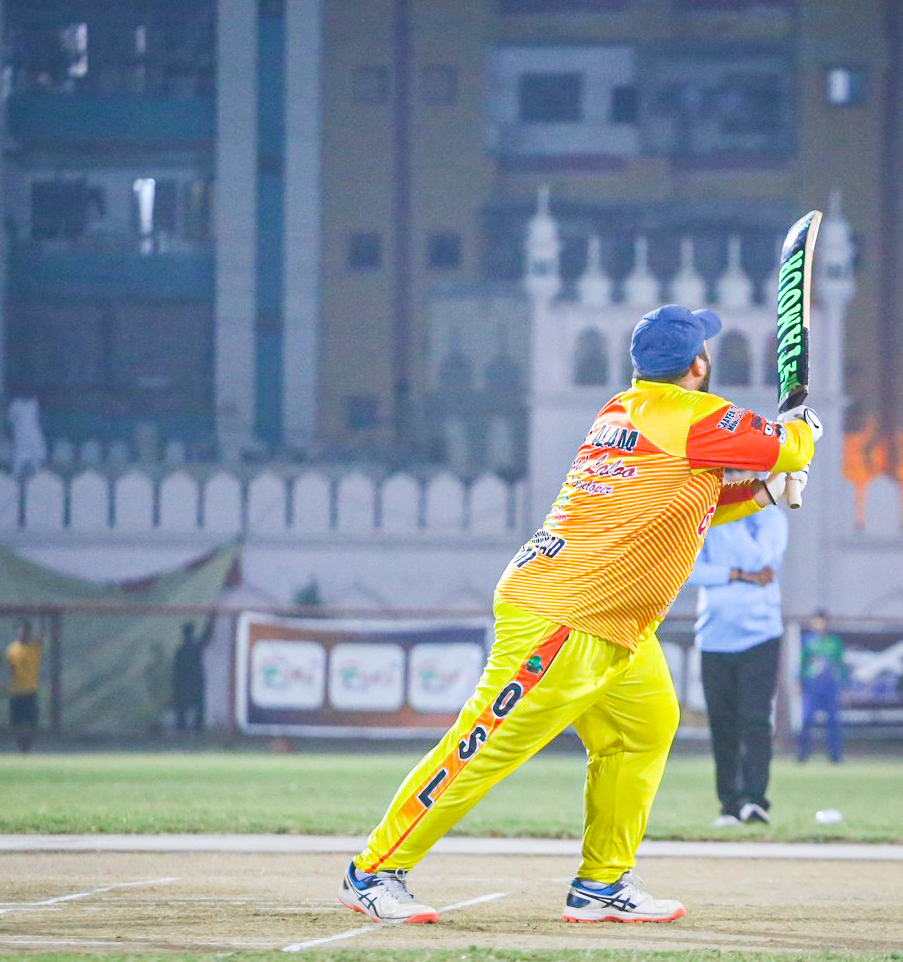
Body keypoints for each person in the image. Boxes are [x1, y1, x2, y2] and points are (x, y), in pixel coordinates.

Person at [339, 304, 821, 924]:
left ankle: (602, 884)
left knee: (645, 727)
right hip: (563, 613)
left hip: (612, 619)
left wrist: (758, 492)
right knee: (484, 745)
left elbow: (684, 500)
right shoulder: (696, 416)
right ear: (698, 364)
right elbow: (788, 447)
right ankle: (373, 871)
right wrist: (800, 428)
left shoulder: (623, 411)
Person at [687, 491, 788, 826]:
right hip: (713, 637)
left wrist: (734, 516)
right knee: (722, 725)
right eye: (727, 472)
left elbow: (761, 562)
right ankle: (729, 804)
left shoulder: (770, 518)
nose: (731, 480)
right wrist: (736, 575)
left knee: (755, 720)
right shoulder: (705, 518)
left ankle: (755, 800)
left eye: (738, 473)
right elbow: (689, 570)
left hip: (761, 636)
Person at [797, 610, 846, 763]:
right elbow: (802, 663)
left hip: (830, 685)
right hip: (812, 686)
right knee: (806, 720)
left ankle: (835, 756)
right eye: (816, 621)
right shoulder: (807, 641)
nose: (818, 624)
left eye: (821, 621)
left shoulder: (834, 642)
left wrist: (844, 684)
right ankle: (802, 754)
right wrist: (799, 681)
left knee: (833, 721)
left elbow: (840, 664)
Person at [5, 619, 42, 753]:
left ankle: (29, 746)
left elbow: (41, 636)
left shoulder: (34, 647)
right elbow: (10, 668)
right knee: (16, 722)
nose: (22, 633)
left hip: (30, 691)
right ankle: (20, 746)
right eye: (20, 630)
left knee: (31, 722)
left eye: (25, 630)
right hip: (16, 691)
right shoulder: (12, 649)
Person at [172, 622, 205, 732]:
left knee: (190, 705)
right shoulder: (192, 648)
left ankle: (187, 727)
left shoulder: (182, 650)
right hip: (192, 681)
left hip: (188, 682)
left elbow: (176, 669)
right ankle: (193, 727)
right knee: (194, 705)